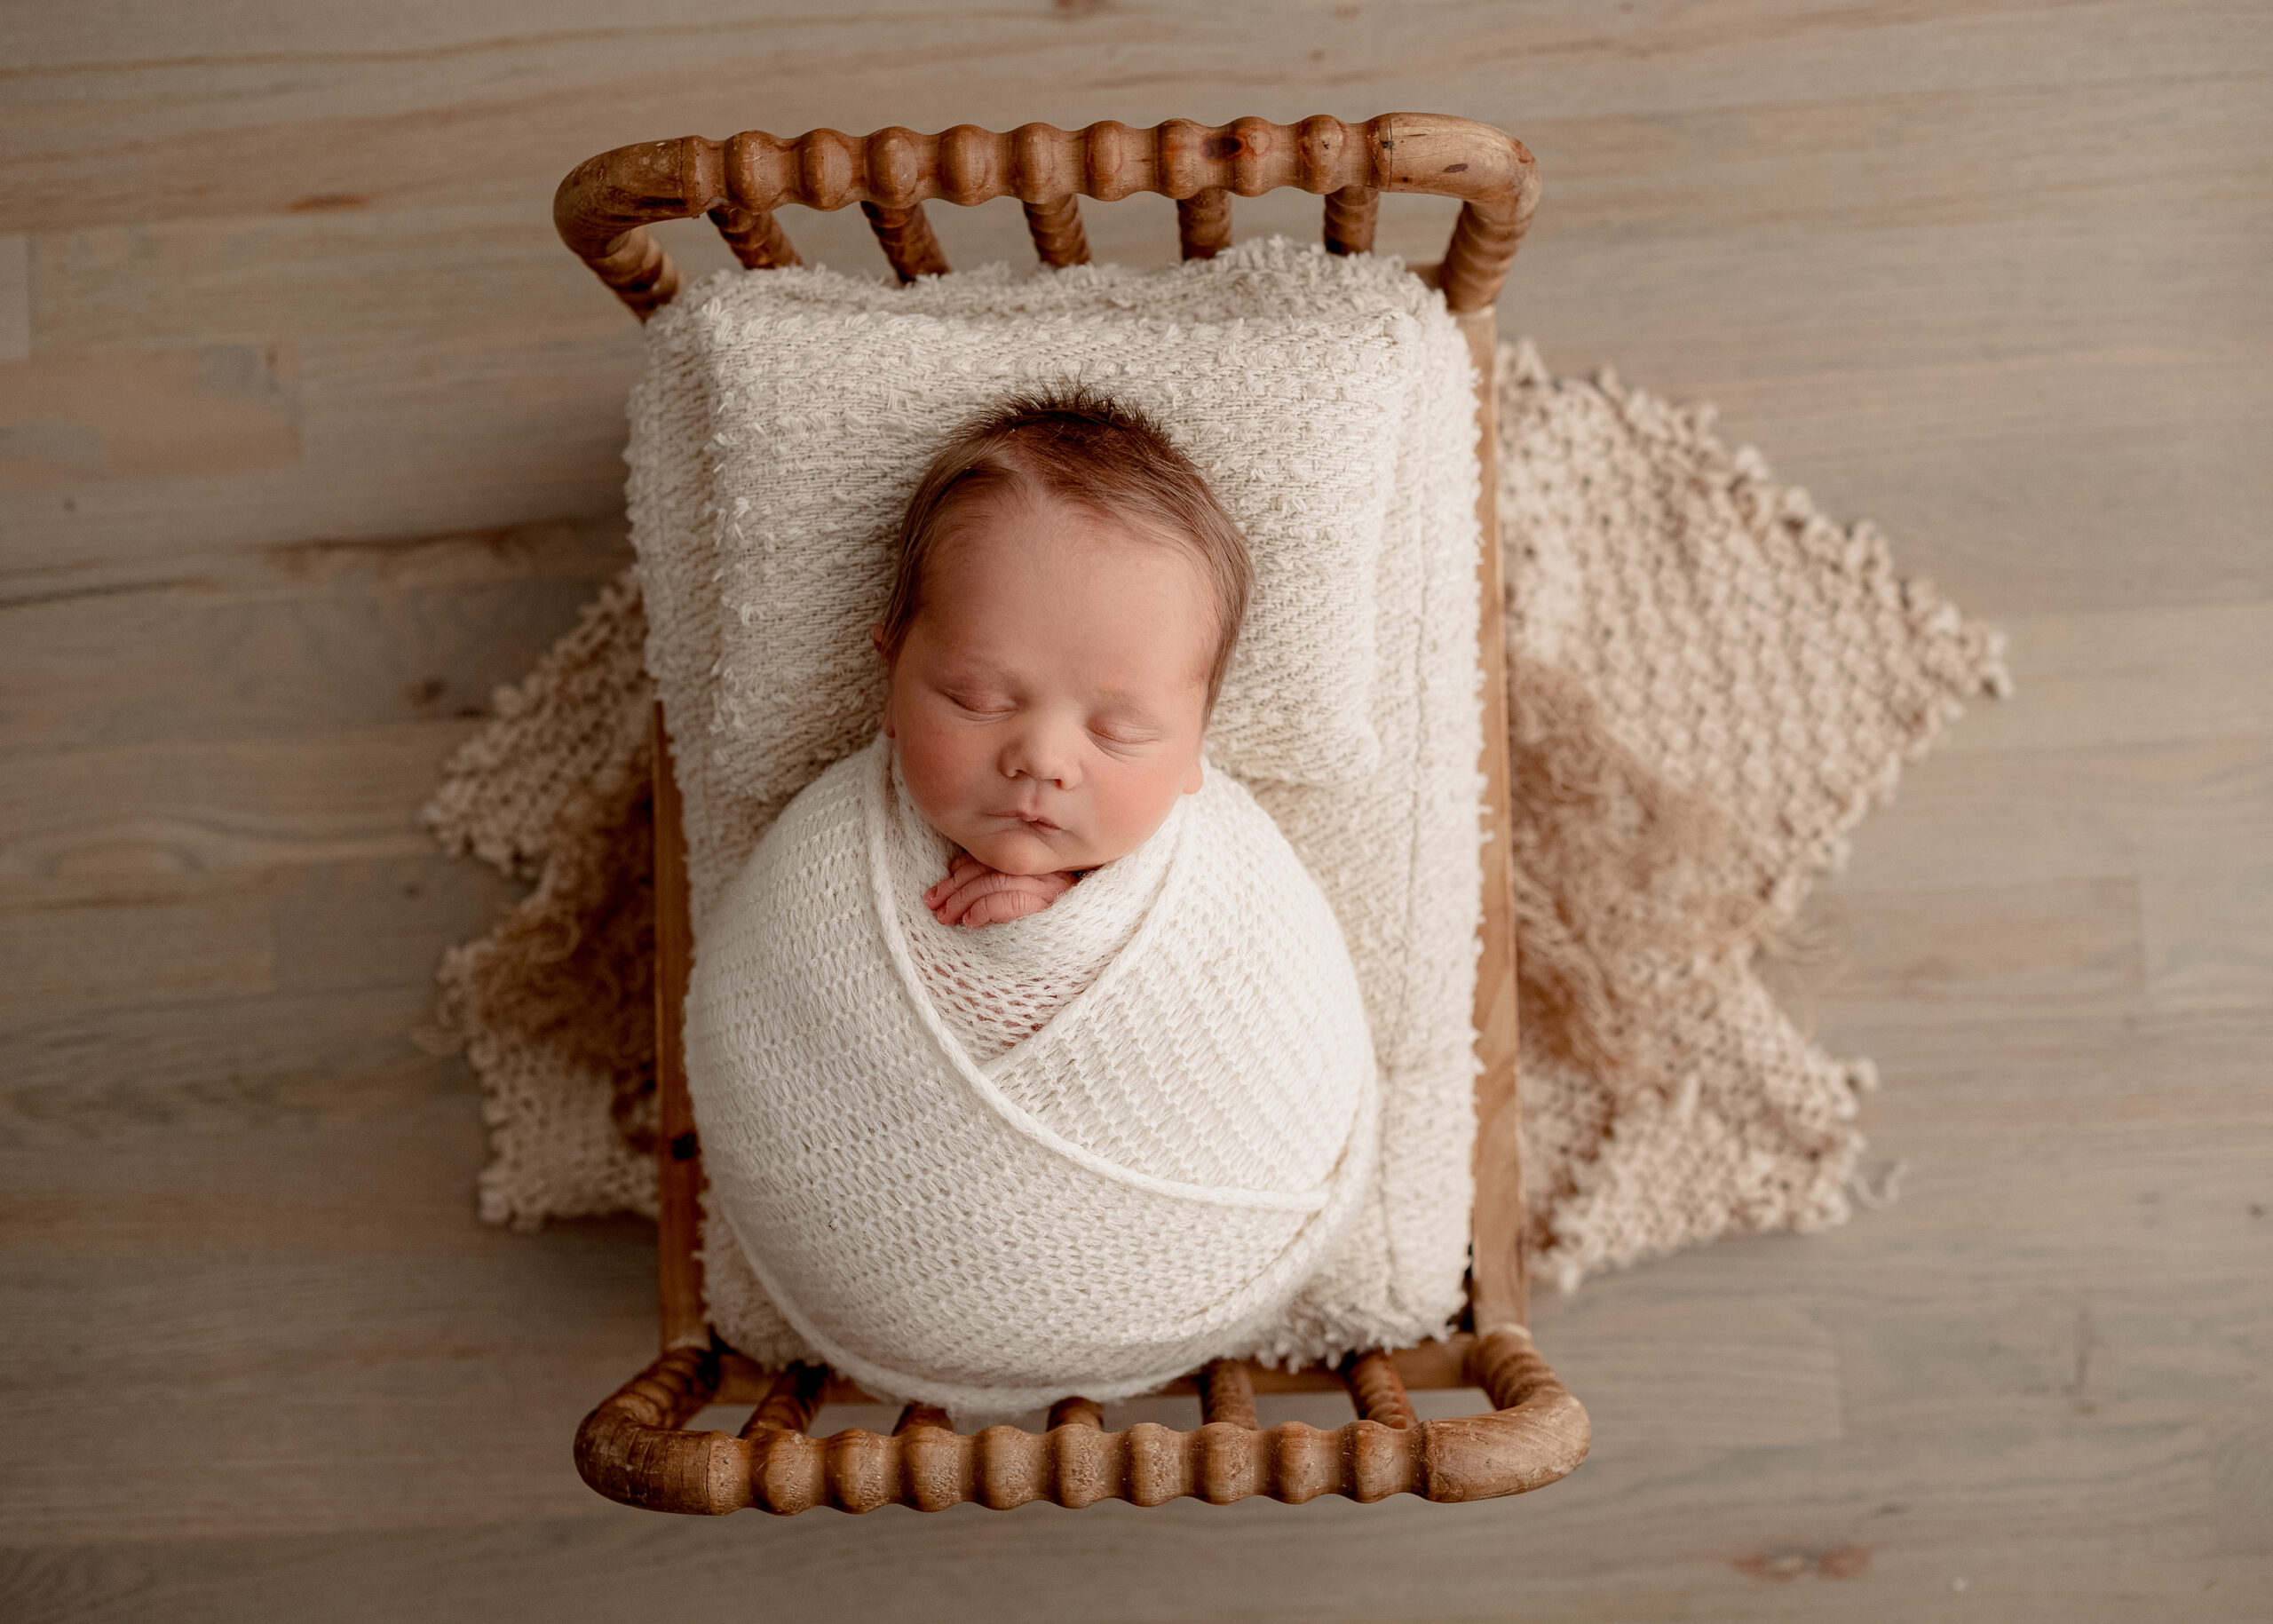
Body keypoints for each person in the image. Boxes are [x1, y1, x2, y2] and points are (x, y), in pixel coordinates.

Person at [871, 387, 1252, 930]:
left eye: (1119, 731)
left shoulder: (1232, 888)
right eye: (980, 701)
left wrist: (1076, 923)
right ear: (892, 679)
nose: (1042, 759)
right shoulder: (829, 854)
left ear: (1195, 745)